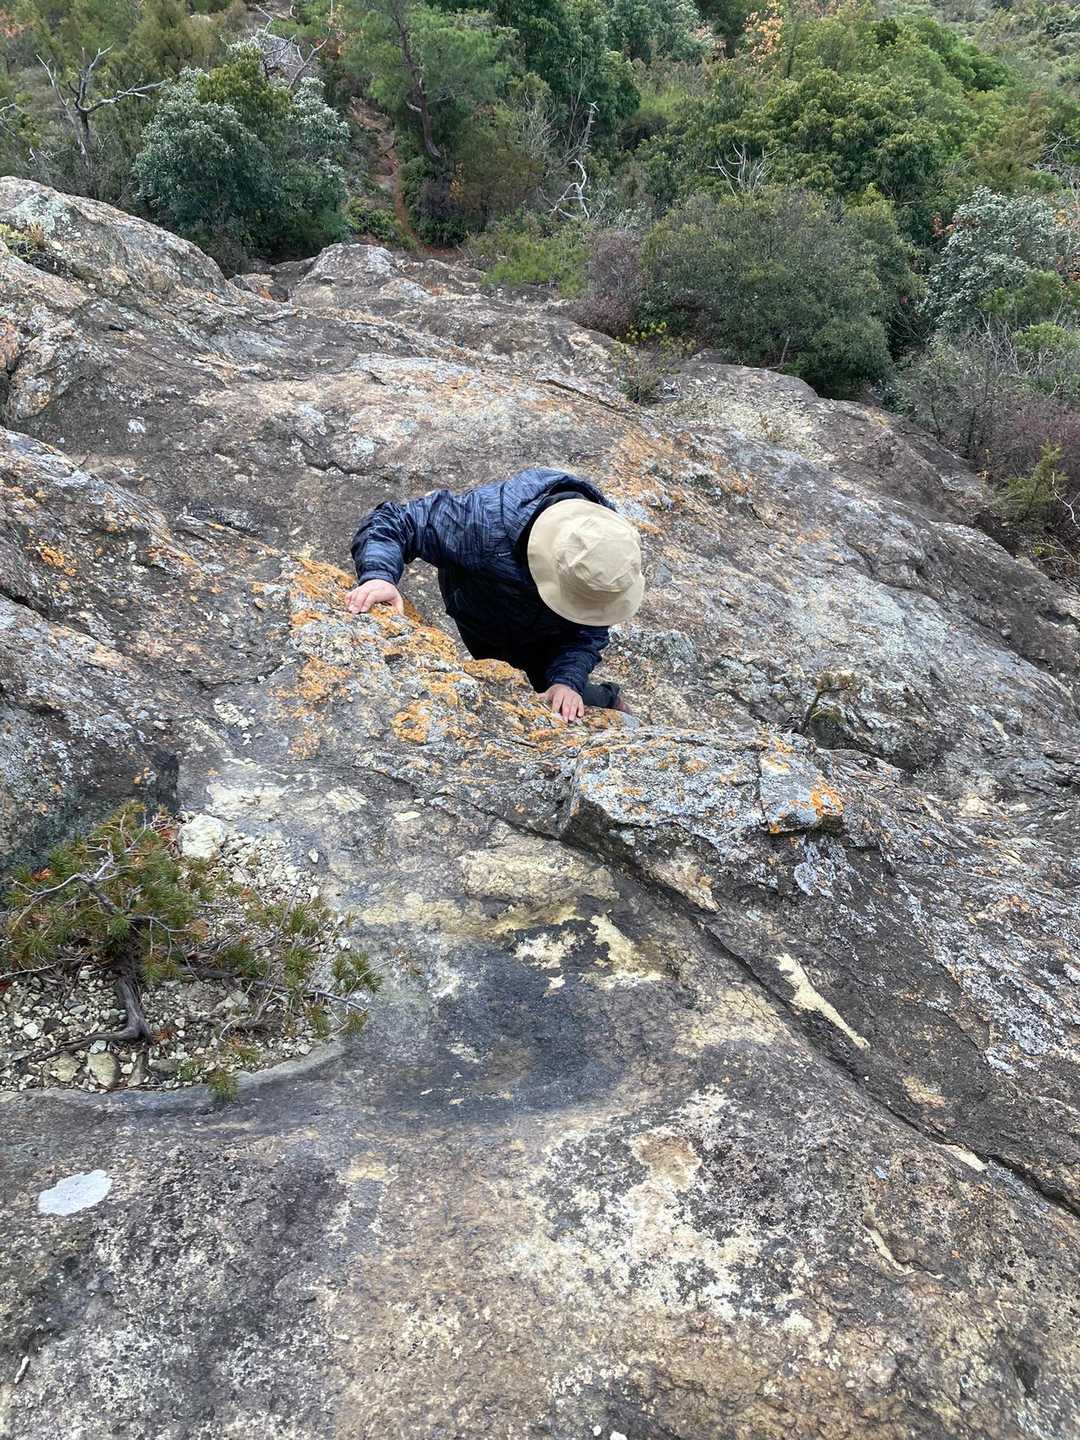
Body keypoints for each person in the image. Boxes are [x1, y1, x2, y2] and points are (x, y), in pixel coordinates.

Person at [346, 467, 644, 721]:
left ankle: (607, 698)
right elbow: (398, 521)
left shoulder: (606, 549)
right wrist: (379, 575)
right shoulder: (483, 524)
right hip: (482, 617)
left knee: (560, 696)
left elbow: (589, 628)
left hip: (551, 638)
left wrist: (567, 681)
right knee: (499, 690)